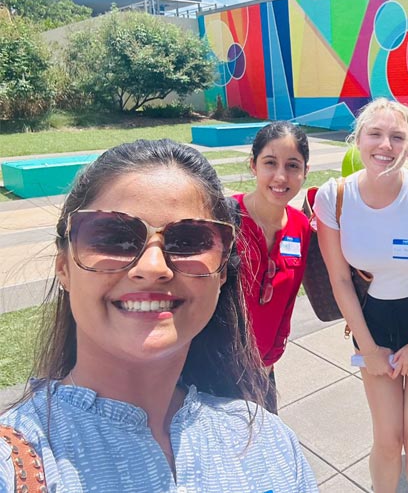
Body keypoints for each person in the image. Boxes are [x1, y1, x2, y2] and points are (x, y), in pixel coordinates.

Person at [0, 139, 318, 492]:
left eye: (189, 240)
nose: (153, 268)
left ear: (223, 272)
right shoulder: (16, 463)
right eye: (114, 237)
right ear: (64, 267)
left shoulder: (268, 442)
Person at [314, 98, 408, 493]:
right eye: (375, 134)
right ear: (357, 140)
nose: (385, 145)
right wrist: (369, 347)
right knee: (386, 436)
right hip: (373, 324)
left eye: (398, 137)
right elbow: (340, 280)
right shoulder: (333, 197)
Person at [231, 121, 311, 413]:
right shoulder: (225, 218)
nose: (281, 176)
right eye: (269, 163)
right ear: (253, 165)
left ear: (305, 171)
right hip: (215, 367)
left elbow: (288, 302)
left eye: (292, 165)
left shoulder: (301, 226)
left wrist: (269, 358)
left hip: (264, 369)